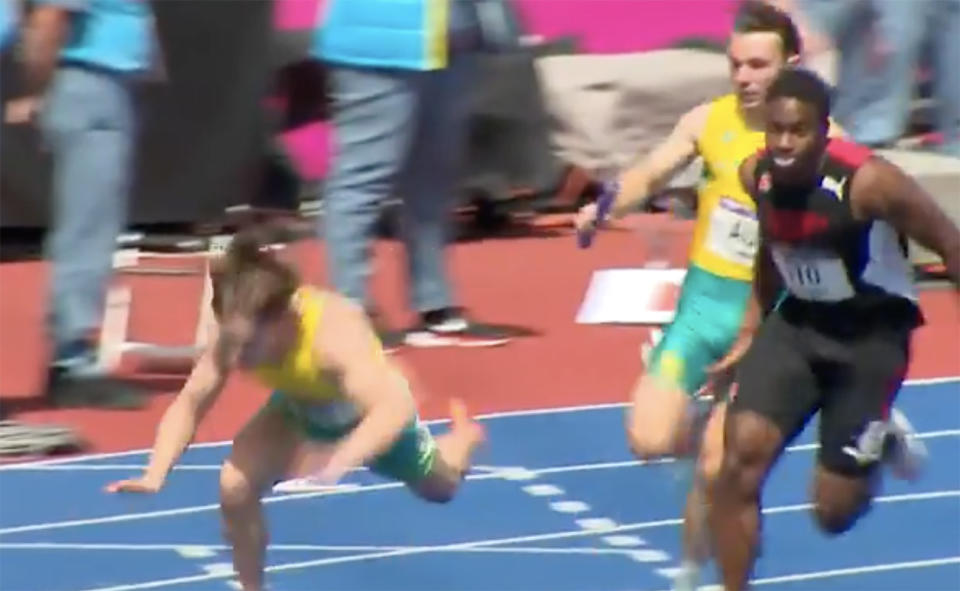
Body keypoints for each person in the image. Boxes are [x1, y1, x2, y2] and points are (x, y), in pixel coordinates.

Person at [576, 3, 828, 588]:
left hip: (768, 322)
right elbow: (651, 173)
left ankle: (712, 573)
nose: (742, 77)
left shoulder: (820, 139)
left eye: (758, 65)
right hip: (700, 311)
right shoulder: (706, 122)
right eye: (735, 63)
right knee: (647, 438)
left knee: (722, 470)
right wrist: (603, 206)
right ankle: (703, 436)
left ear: (791, 63)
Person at [104, 228, 487, 591]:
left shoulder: (334, 334)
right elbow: (191, 402)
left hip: (367, 417)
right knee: (234, 485)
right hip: (298, 410)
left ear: (286, 316)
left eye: (251, 347)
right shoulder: (235, 328)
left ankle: (465, 438)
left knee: (442, 487)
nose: (242, 359)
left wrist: (341, 459)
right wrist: (155, 472)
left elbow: (395, 407)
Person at [708, 67, 960, 591]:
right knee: (738, 463)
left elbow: (948, 241)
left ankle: (878, 443)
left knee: (832, 514)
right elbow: (770, 253)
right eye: (774, 129)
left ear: (824, 132)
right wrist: (754, 330)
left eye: (796, 131)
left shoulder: (870, 183)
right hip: (799, 326)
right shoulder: (757, 175)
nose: (783, 143)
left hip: (869, 343)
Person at [312, 0, 513, 350]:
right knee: (362, 180)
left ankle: (435, 304)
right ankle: (349, 312)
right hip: (381, 39)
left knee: (433, 179)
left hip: (452, 39)